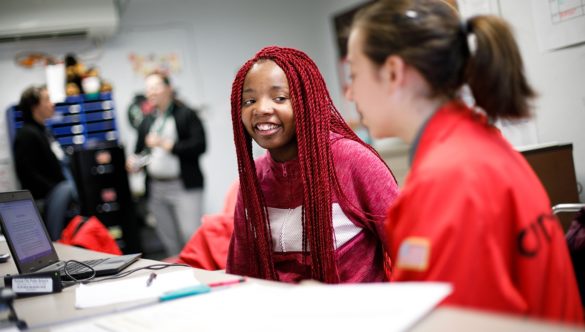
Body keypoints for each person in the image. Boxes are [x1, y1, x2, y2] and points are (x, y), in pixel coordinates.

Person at [346, 0, 583, 324]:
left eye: (354, 74)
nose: (349, 93)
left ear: (392, 72)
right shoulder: (480, 142)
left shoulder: (445, 180)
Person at [226, 46, 399, 283]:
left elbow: (409, 246)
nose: (261, 109)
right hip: (284, 317)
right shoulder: (254, 177)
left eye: (280, 98)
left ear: (307, 101)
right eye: (249, 100)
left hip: (359, 315)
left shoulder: (352, 160)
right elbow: (241, 270)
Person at [129, 72, 206, 256]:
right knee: (169, 240)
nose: (151, 92)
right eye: (148, 89)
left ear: (169, 88)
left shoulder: (186, 114)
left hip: (183, 185)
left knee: (191, 235)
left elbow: (200, 146)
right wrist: (134, 162)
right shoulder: (147, 120)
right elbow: (139, 150)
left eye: (155, 87)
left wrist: (167, 145)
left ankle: (203, 275)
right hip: (156, 188)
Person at [13, 85, 77, 241]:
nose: (52, 104)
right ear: (35, 106)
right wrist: (54, 189)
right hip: (47, 202)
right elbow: (27, 174)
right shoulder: (26, 134)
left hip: (59, 198)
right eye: (47, 99)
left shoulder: (44, 132)